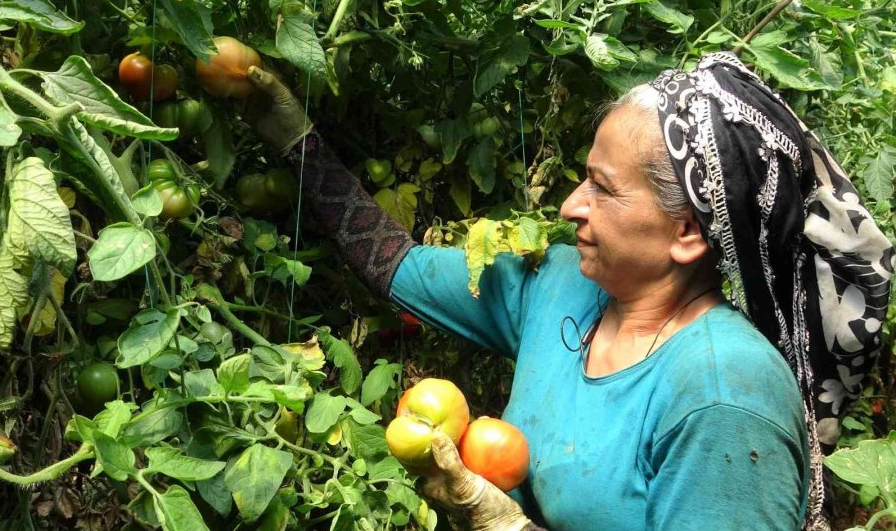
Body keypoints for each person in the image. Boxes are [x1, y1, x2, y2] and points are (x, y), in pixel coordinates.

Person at [243, 52, 894, 530]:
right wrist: (294, 136)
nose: (570, 205)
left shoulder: (724, 395)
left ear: (687, 232)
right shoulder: (557, 286)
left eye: (603, 189)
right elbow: (396, 264)